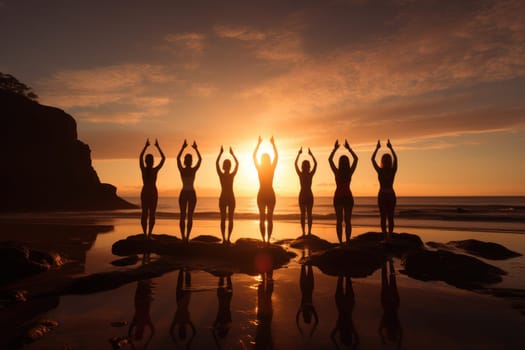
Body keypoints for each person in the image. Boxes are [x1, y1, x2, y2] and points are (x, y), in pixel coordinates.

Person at [328, 140, 358, 245]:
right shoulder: (341, 172)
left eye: (345, 162)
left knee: (344, 221)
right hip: (341, 198)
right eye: (343, 162)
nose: (345, 164)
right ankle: (343, 242)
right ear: (341, 163)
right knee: (342, 221)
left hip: (344, 198)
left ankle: (345, 241)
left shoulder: (346, 172)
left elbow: (356, 159)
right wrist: (337, 149)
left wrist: (337, 149)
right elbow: (330, 160)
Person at [372, 139, 398, 241]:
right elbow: (372, 159)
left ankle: (390, 236)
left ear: (390, 161)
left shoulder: (393, 170)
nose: (387, 161)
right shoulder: (380, 170)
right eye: (385, 159)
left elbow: (396, 158)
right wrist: (377, 149)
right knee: (383, 217)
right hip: (382, 195)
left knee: (390, 217)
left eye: (388, 159)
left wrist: (391, 148)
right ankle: (385, 236)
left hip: (390, 195)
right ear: (383, 161)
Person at [253, 136, 278, 243]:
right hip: (262, 195)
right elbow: (254, 157)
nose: (265, 160)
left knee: (269, 219)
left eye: (266, 158)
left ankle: (267, 240)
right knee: (263, 218)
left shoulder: (271, 168)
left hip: (269, 195)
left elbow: (276, 156)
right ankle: (264, 240)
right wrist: (258, 144)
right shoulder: (260, 168)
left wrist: (273, 144)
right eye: (264, 158)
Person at [139, 139, 166, 239]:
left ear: (146, 161)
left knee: (145, 213)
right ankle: (149, 234)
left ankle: (146, 234)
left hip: (146, 192)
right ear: (152, 161)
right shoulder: (153, 170)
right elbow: (163, 159)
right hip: (152, 193)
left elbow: (140, 157)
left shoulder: (144, 169)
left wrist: (145, 147)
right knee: (151, 214)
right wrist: (158, 147)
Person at [177, 140, 202, 243]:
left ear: (190, 161)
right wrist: (182, 148)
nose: (188, 161)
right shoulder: (183, 170)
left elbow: (200, 160)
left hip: (191, 193)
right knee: (183, 215)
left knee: (189, 216)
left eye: (189, 159)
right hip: (185, 193)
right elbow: (177, 159)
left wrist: (196, 149)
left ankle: (187, 236)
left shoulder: (193, 170)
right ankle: (183, 236)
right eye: (187, 159)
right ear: (185, 161)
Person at [216, 146, 239, 243]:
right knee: (228, 219)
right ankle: (226, 238)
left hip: (226, 198)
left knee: (225, 219)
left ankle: (226, 238)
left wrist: (220, 153)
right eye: (227, 164)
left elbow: (217, 163)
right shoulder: (228, 175)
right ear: (228, 166)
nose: (227, 166)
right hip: (228, 197)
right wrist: (232, 154)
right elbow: (237, 164)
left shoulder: (225, 175)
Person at [379, 258, 402, 349]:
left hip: (388, 304)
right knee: (388, 280)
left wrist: (383, 340)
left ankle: (387, 261)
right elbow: (380, 331)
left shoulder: (387, 324)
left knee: (389, 281)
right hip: (392, 304)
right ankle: (388, 262)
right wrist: (383, 339)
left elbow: (380, 330)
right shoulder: (393, 325)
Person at [295, 147, 317, 237]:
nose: (306, 167)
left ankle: (306, 232)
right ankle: (306, 232)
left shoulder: (306, 174)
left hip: (305, 195)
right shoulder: (307, 174)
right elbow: (315, 164)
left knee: (306, 214)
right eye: (306, 165)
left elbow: (295, 164)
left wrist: (299, 154)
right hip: (306, 195)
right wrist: (310, 155)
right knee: (306, 214)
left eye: (306, 165)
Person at [331, 276, 359, 349]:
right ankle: (344, 272)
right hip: (342, 306)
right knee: (341, 282)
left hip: (347, 306)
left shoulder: (350, 328)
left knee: (347, 282)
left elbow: (357, 340)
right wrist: (337, 347)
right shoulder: (342, 327)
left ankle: (345, 273)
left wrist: (353, 347)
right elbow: (332, 337)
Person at [170, 268, 196, 347]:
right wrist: (188, 342)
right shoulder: (184, 321)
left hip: (181, 301)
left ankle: (183, 268)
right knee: (184, 283)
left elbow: (194, 332)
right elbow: (194, 332)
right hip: (183, 301)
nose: (181, 329)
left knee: (182, 283)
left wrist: (176, 341)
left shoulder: (182, 321)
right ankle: (185, 268)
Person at [296, 263, 319, 338]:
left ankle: (306, 253)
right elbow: (297, 318)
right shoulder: (304, 308)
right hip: (305, 287)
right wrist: (311, 332)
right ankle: (306, 253)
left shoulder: (307, 308)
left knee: (308, 267)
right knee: (306, 267)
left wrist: (312, 331)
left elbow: (317, 320)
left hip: (307, 287)